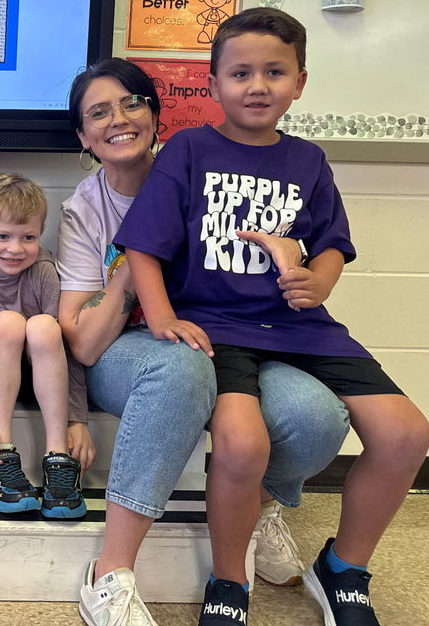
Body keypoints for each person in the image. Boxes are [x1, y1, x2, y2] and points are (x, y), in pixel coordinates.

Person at [116, 8, 429, 626]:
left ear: (300, 83)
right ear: (213, 85)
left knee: (406, 435)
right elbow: (143, 247)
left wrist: (319, 281)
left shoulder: (308, 160)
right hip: (217, 325)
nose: (257, 85)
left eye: (274, 72)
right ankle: (229, 582)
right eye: (240, 73)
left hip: (300, 327)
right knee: (241, 443)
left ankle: (344, 566)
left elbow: (334, 244)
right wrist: (158, 316)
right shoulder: (188, 149)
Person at [57, 58, 353, 626]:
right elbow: (85, 345)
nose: (118, 119)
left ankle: (259, 509)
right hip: (136, 352)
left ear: (156, 115)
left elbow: (294, 255)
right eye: (98, 112)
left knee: (317, 414)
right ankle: (111, 571)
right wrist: (136, 255)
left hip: (230, 345)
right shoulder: (83, 208)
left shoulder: (209, 172)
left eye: (132, 103)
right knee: (178, 369)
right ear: (83, 136)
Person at [0, 173, 93, 518]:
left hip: (45, 374)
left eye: (28, 237)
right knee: (7, 322)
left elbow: (68, 347)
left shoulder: (44, 271)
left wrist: (78, 419)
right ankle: (4, 451)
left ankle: (58, 456)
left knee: (46, 326)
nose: (16, 249)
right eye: (2, 236)